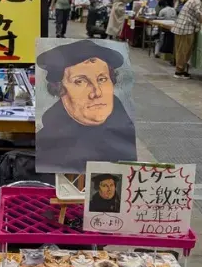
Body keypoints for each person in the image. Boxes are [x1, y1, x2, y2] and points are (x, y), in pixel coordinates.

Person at [34, 39, 138, 172]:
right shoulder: (47, 147)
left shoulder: (125, 136)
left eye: (102, 79)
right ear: (59, 89)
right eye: (80, 81)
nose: (97, 92)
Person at [172, 0, 202, 77]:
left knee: (183, 50)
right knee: (183, 51)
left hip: (183, 28)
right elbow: (199, 16)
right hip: (185, 29)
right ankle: (179, 71)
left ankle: (181, 69)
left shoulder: (194, 0)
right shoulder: (197, 1)